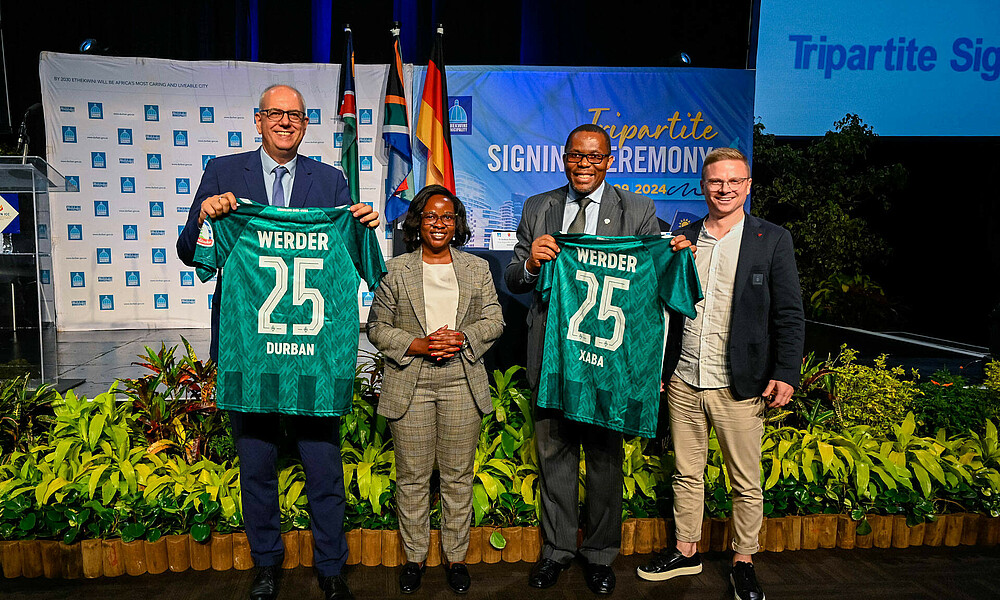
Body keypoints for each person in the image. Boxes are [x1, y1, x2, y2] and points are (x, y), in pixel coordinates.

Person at [176, 84, 378, 600]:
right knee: (257, 465)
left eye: (295, 115)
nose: (285, 122)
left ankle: (331, 569)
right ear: (259, 121)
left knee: (323, 466)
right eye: (275, 114)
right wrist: (206, 216)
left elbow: (355, 254)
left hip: (313, 352)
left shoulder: (331, 181)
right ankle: (266, 564)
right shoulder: (224, 171)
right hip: (251, 350)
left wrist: (364, 225)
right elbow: (189, 252)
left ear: (306, 124)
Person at [504, 124, 690, 595]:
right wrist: (530, 264)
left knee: (606, 462)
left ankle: (601, 554)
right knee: (555, 457)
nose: (583, 164)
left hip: (609, 361)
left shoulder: (639, 209)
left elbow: (655, 274)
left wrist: (674, 255)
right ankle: (559, 549)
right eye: (575, 156)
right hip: (552, 360)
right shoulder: (538, 207)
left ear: (610, 160)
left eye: (594, 157)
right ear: (563, 158)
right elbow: (513, 277)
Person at [637, 147, 805, 600]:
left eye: (734, 181)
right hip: (685, 378)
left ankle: (743, 559)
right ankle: (686, 550)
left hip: (741, 381)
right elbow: (663, 306)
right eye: (716, 182)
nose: (725, 189)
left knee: (744, 480)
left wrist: (786, 372)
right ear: (703, 185)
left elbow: (790, 313)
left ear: (747, 185)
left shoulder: (771, 238)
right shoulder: (683, 236)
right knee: (687, 473)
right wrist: (661, 368)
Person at [367, 184, 504, 595]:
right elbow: (376, 327)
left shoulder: (477, 269)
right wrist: (419, 344)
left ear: (457, 223)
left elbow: (495, 321)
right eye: (431, 216)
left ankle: (455, 558)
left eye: (447, 217)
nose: (439, 224)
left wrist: (462, 337)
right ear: (417, 223)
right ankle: (414, 558)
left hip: (462, 378)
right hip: (412, 379)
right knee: (412, 476)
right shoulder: (394, 269)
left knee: (458, 477)